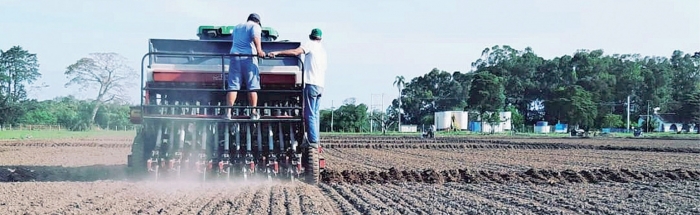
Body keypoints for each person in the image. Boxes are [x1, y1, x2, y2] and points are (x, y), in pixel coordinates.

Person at [268, 28, 327, 148]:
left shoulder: (310, 44)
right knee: (315, 113)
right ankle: (316, 140)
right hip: (320, 85)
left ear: (311, 36)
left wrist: (278, 53)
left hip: (311, 83)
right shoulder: (323, 51)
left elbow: (296, 52)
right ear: (320, 39)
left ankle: (312, 142)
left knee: (309, 113)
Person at [225, 13, 266, 120]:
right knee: (252, 86)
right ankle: (253, 112)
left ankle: (228, 112)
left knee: (233, 86)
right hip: (248, 57)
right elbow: (256, 37)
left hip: (234, 57)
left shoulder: (237, 27)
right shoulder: (255, 26)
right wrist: (260, 51)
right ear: (257, 21)